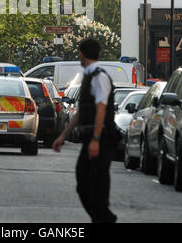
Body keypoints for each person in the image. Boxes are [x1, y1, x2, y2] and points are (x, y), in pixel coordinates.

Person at [52, 38, 118, 223]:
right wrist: (63, 135)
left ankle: (105, 219)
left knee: (96, 186)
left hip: (102, 138)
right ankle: (102, 219)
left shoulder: (99, 76)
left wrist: (96, 139)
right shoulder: (89, 76)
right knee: (83, 184)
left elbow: (101, 108)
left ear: (81, 53)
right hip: (91, 138)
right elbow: (82, 112)